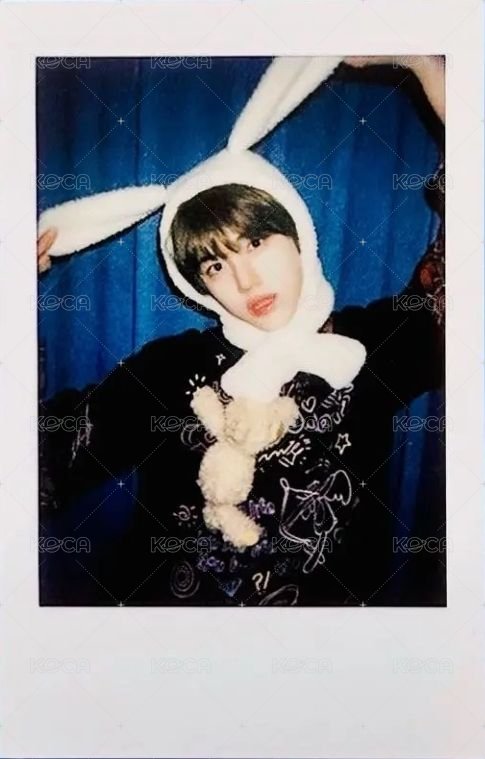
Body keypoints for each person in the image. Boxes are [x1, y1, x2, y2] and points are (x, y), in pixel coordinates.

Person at [38, 55, 445, 606]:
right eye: (215, 264)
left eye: (255, 242)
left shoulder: (372, 345)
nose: (245, 279)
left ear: (298, 235)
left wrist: (427, 67)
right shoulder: (167, 370)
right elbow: (40, 458)